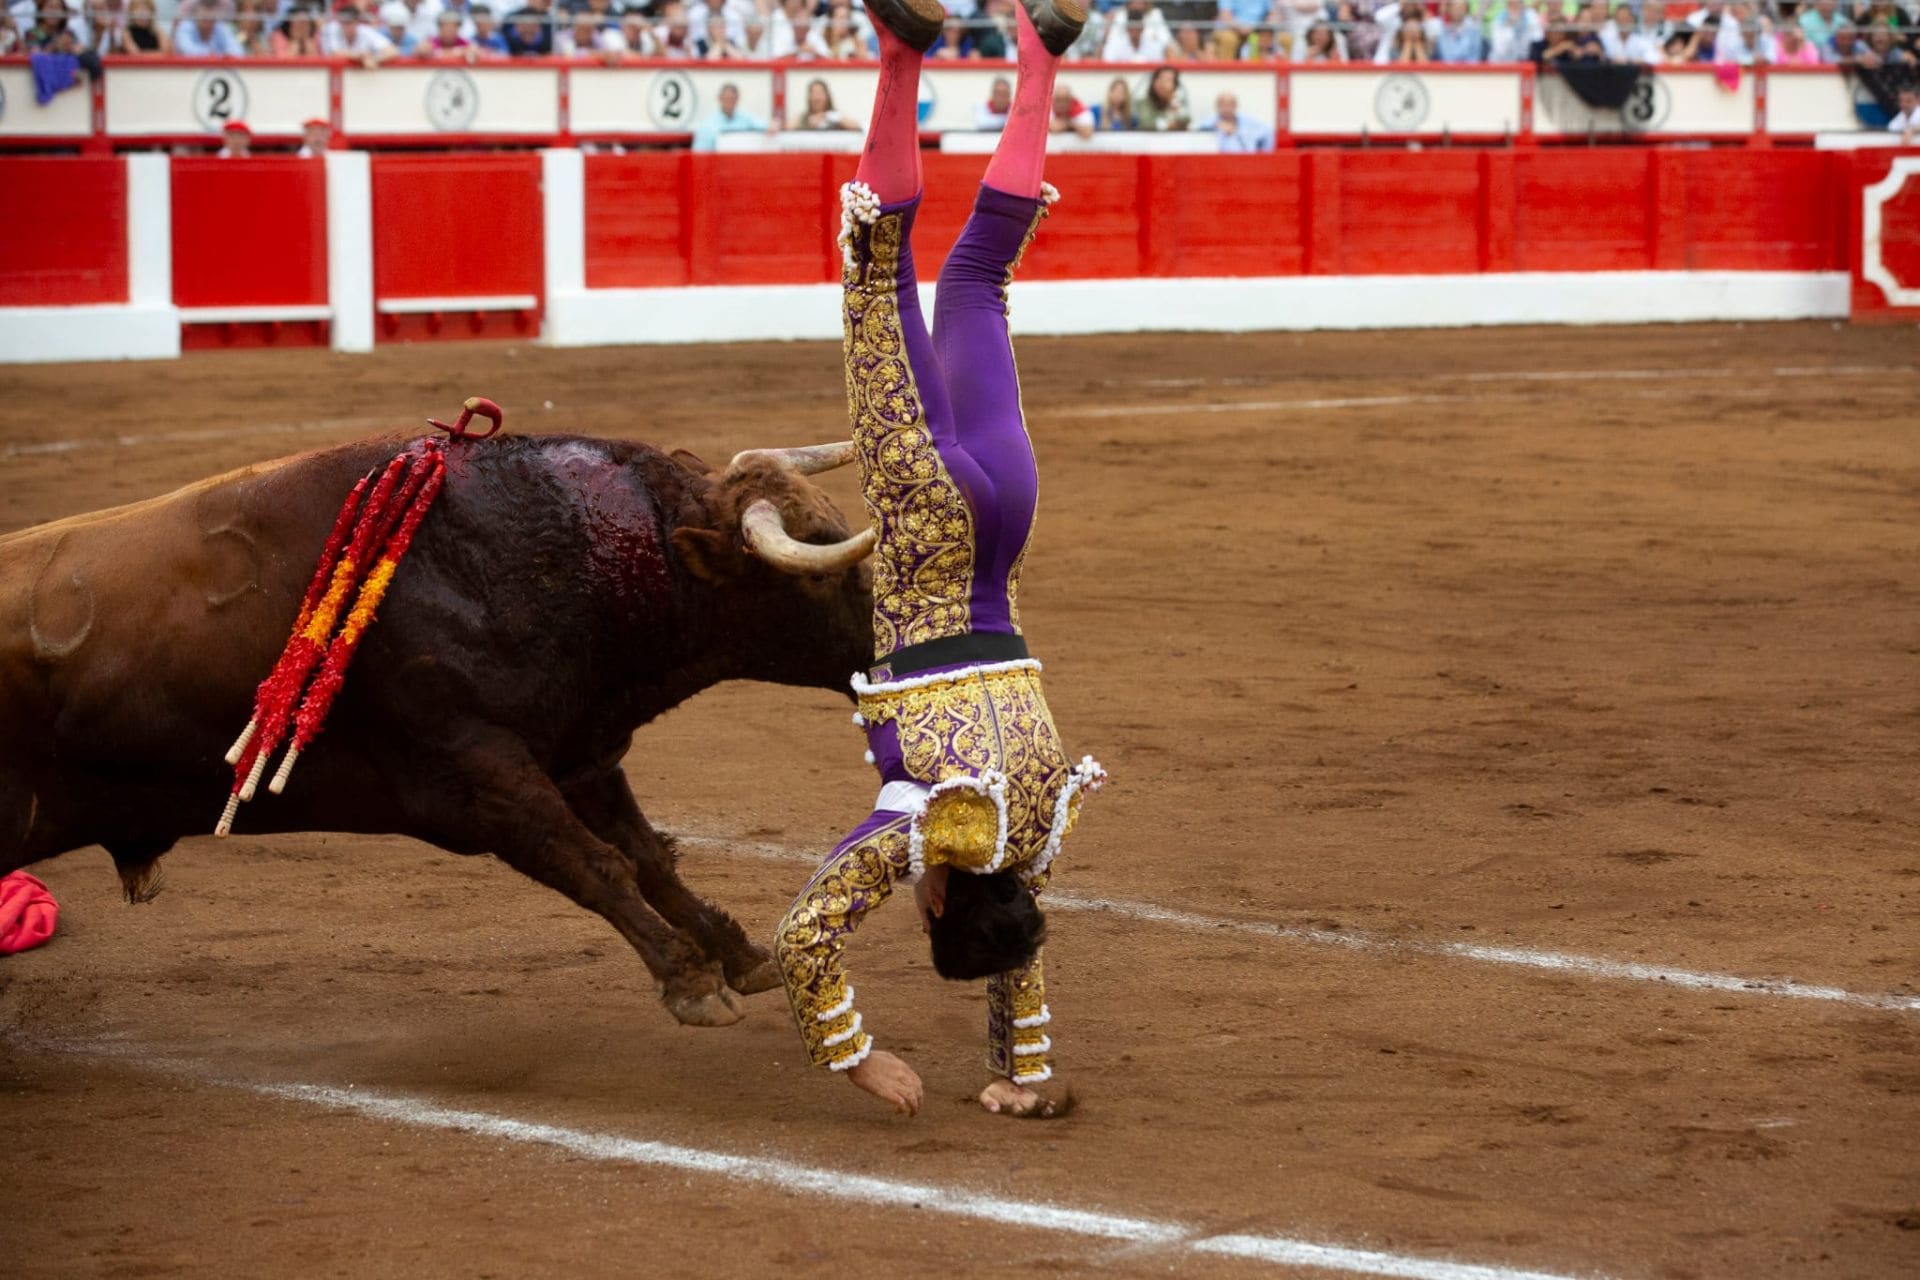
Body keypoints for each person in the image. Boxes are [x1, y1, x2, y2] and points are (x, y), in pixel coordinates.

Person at [775, 0, 1103, 1122]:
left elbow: (1023, 927)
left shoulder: (1033, 822)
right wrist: (853, 1051)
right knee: (878, 267)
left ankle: (1036, 56)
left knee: (978, 279)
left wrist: (1024, 1068)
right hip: (923, 529)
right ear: (938, 898)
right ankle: (901, 47)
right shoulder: (931, 830)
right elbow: (806, 933)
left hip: (1008, 520)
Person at [690, 80, 768, 149]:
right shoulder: (708, 126)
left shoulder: (746, 119)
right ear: (720, 98)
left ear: (737, 99)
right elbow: (700, 154)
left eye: (732, 98)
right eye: (726, 98)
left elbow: (766, 126)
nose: (729, 102)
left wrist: (773, 126)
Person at [1197, 89, 1273, 150]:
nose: (1226, 108)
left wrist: (1235, 133)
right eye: (1222, 104)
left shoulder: (1250, 124)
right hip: (1216, 165)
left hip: (1245, 163)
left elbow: (1268, 134)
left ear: (1236, 105)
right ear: (1217, 106)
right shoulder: (1206, 125)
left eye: (1230, 104)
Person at [174, 0, 243, 55]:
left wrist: (216, 57)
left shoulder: (220, 27)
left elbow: (238, 52)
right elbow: (186, 50)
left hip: (218, 69)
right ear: (196, 18)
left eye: (211, 20)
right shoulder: (185, 27)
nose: (208, 24)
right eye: (204, 19)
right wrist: (212, 55)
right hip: (188, 70)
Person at [1134, 62, 1189, 128]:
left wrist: (1175, 108)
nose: (1162, 83)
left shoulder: (1177, 101)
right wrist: (1168, 125)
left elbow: (1186, 119)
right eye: (1159, 78)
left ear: (1175, 86)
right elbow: (1148, 123)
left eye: (1167, 80)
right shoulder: (1143, 102)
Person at [794, 76, 860, 129]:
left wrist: (827, 116)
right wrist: (808, 123)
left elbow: (856, 126)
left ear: (827, 96)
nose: (817, 98)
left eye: (820, 93)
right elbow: (787, 129)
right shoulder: (803, 118)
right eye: (813, 93)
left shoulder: (835, 116)